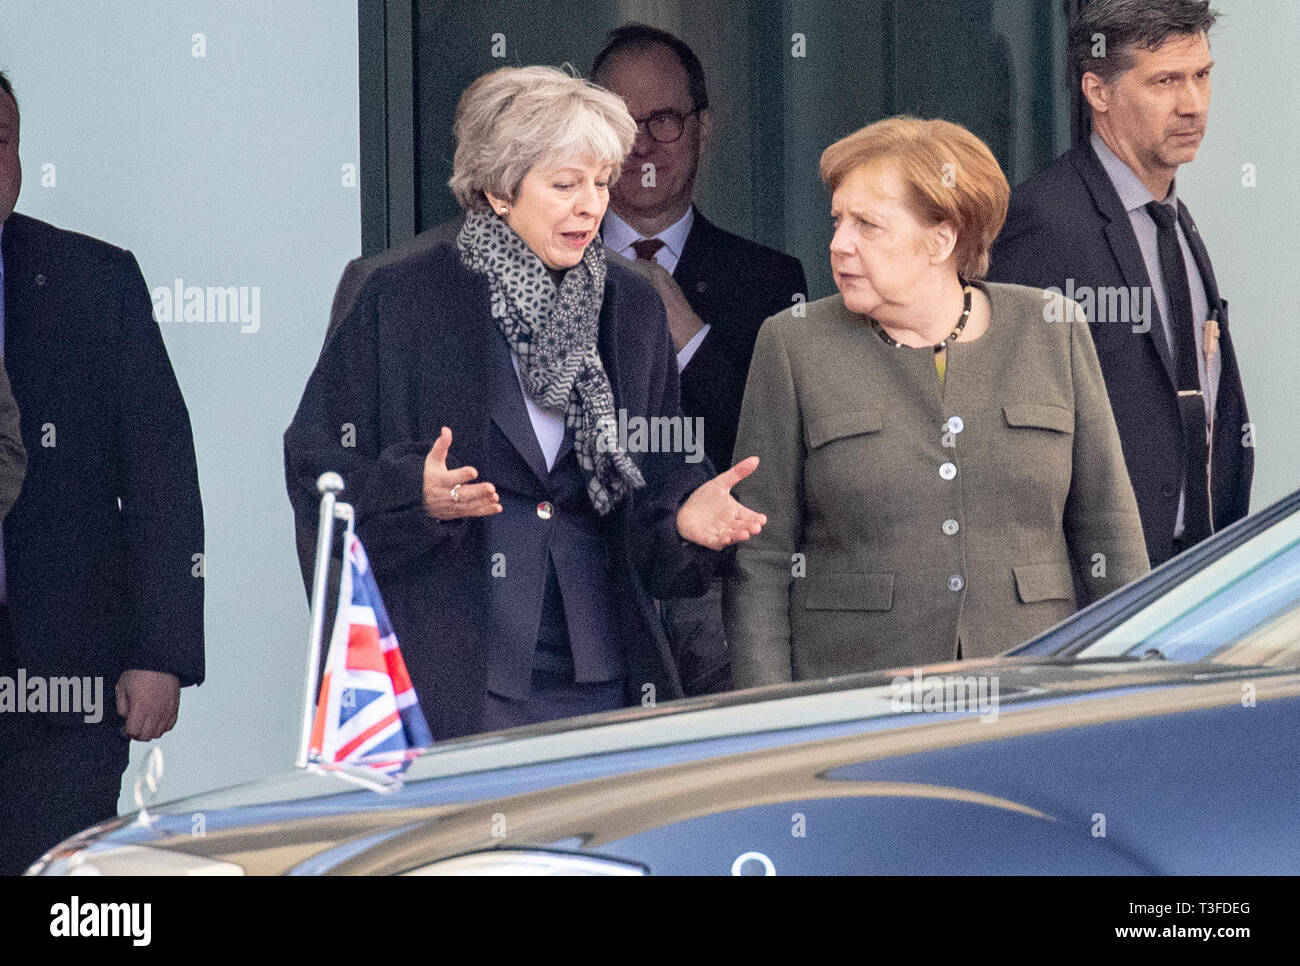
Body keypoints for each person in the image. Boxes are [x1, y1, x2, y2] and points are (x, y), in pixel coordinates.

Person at [284, 66, 765, 740]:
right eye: (564, 185)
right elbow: (319, 469)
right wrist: (410, 492)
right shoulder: (397, 293)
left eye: (601, 183)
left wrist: (687, 513)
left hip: (602, 665)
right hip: (451, 664)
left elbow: (657, 475)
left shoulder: (631, 305)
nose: (591, 206)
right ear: (498, 191)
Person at [724, 116, 1149, 688]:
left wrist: (1126, 690)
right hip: (855, 696)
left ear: (941, 240)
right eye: (838, 220)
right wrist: (768, 716)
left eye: (867, 225)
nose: (838, 244)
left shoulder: (1051, 327)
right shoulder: (793, 343)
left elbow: (1110, 534)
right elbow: (762, 559)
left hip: (1029, 688)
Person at [0, 72, 205, 875]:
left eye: (2, 141)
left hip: (65, 685)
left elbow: (159, 476)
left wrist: (160, 652)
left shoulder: (94, 280)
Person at [988, 0, 1248, 568]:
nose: (1193, 104)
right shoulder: (1043, 224)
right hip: (1099, 593)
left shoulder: (1174, 220)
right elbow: (1006, 436)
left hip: (1192, 573)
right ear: (1098, 91)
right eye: (1165, 82)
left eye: (1201, 76)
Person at [591, 24, 807, 694]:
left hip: (720, 595)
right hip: (583, 596)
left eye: (664, 120)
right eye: (620, 122)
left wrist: (688, 334)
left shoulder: (769, 278)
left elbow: (779, 445)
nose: (643, 144)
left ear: (704, 129)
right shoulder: (551, 264)